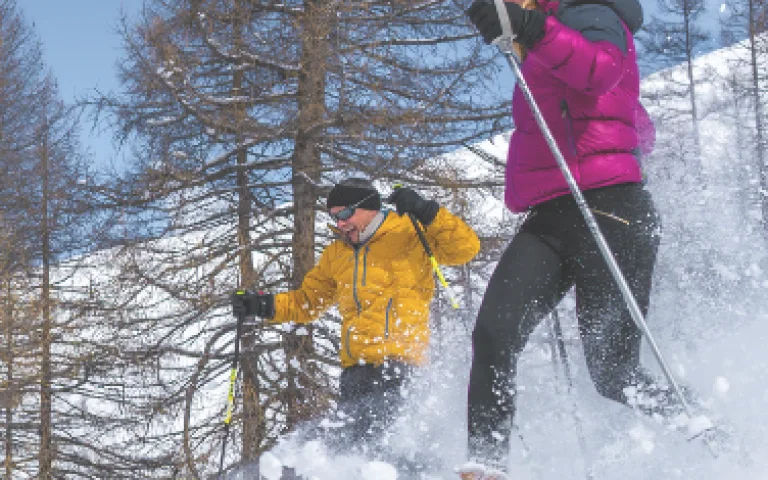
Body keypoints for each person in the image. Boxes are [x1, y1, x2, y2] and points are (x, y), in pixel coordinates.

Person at [462, 0, 716, 478]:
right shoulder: (549, 33)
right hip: (550, 217)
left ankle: (716, 437)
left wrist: (532, 28)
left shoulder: (591, 12)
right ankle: (484, 465)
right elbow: (634, 123)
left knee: (614, 374)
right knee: (495, 332)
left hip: (611, 211)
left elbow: (600, 72)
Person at [229, 179, 480, 469]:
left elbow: (466, 248)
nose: (340, 223)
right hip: (355, 372)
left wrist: (426, 210)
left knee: (385, 452)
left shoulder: (409, 233)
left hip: (400, 366)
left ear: (369, 207)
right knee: (354, 456)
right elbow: (307, 301)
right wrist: (261, 305)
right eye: (334, 216)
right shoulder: (337, 254)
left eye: (345, 213)